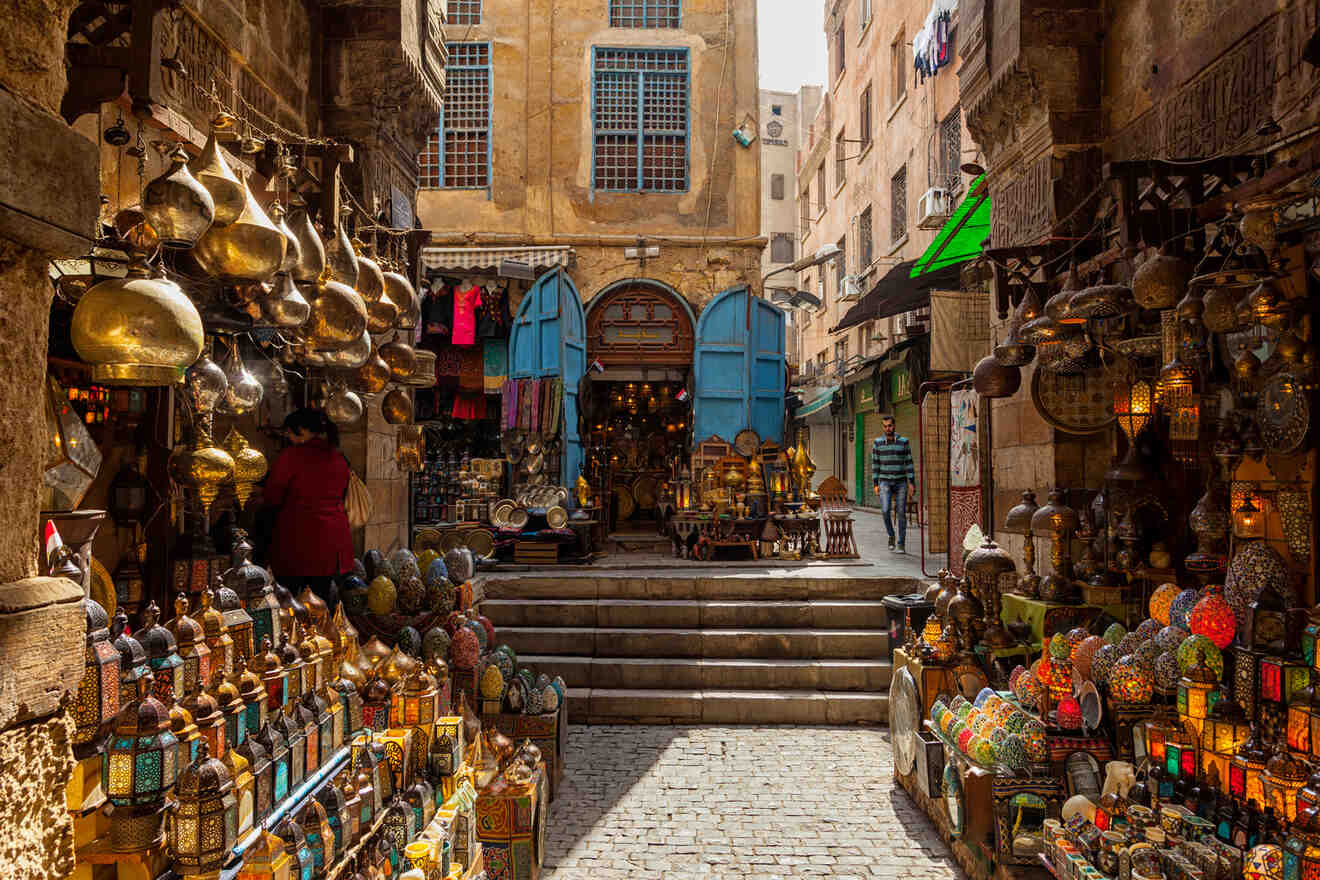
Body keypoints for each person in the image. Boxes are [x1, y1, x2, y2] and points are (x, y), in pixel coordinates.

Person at [263, 407, 354, 611]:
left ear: (302, 429)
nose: (288, 437)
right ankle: (323, 640)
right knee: (320, 602)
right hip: (332, 544)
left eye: (289, 432)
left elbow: (273, 496)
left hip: (298, 540)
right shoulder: (338, 458)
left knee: (290, 602)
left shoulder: (292, 457)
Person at [872, 415, 917, 553]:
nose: (888, 428)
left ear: (894, 426)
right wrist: (875, 483)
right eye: (885, 426)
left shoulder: (904, 442)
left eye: (890, 426)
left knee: (901, 512)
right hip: (884, 481)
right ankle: (891, 535)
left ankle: (901, 543)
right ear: (883, 427)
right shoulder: (877, 443)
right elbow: (875, 464)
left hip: (901, 481)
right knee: (885, 510)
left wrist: (912, 482)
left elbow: (909, 462)